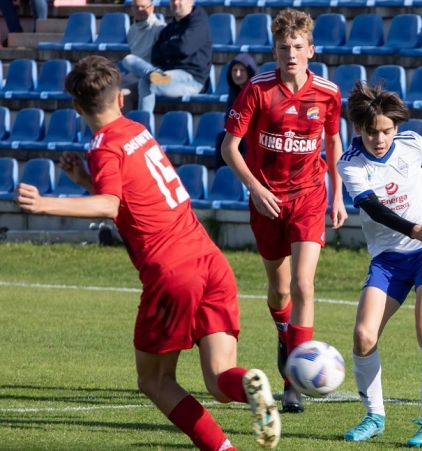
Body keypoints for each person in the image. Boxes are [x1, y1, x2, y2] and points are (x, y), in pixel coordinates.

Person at [14, 55, 280, 451]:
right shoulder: (136, 130)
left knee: (153, 381)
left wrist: (45, 204)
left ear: (75, 106)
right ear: (120, 98)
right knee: (220, 378)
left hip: (172, 272)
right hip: (210, 260)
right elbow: (133, 201)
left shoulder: (104, 147)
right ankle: (247, 385)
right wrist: (85, 180)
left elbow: (109, 205)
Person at [221, 8, 348, 413]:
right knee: (279, 292)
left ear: (310, 49)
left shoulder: (328, 92)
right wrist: (256, 189)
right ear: (274, 51)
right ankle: (285, 333)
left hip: (310, 197)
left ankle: (294, 381)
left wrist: (339, 195)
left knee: (303, 285)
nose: (290, 54)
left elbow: (333, 144)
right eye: (282, 48)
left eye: (297, 47)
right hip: (267, 200)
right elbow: (229, 148)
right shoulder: (258, 89)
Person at [337, 81, 422, 447]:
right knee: (363, 335)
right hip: (388, 258)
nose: (381, 138)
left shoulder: (412, 143)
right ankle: (374, 416)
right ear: (358, 129)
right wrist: (416, 228)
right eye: (372, 132)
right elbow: (373, 208)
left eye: (387, 130)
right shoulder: (350, 164)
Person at [121, 0, 212, 113]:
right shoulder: (170, 28)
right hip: (168, 75)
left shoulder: (198, 23)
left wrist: (167, 47)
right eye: (173, 0)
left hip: (191, 79)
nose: (176, 3)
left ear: (190, 2)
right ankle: (152, 73)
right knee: (128, 59)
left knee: (147, 82)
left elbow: (184, 47)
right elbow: (156, 54)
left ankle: (143, 125)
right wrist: (173, 47)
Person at [214, 53, 258, 170]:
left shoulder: (256, 90)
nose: (238, 74)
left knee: (245, 138)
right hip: (240, 132)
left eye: (242, 70)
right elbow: (229, 119)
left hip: (257, 135)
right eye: (234, 70)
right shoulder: (233, 91)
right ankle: (222, 175)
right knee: (222, 138)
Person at [120, 0, 166, 106]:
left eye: (143, 7)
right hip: (132, 75)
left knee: (121, 94)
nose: (140, 10)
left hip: (149, 78)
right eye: (136, 7)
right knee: (103, 90)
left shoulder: (161, 29)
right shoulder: (131, 30)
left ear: (152, 8)